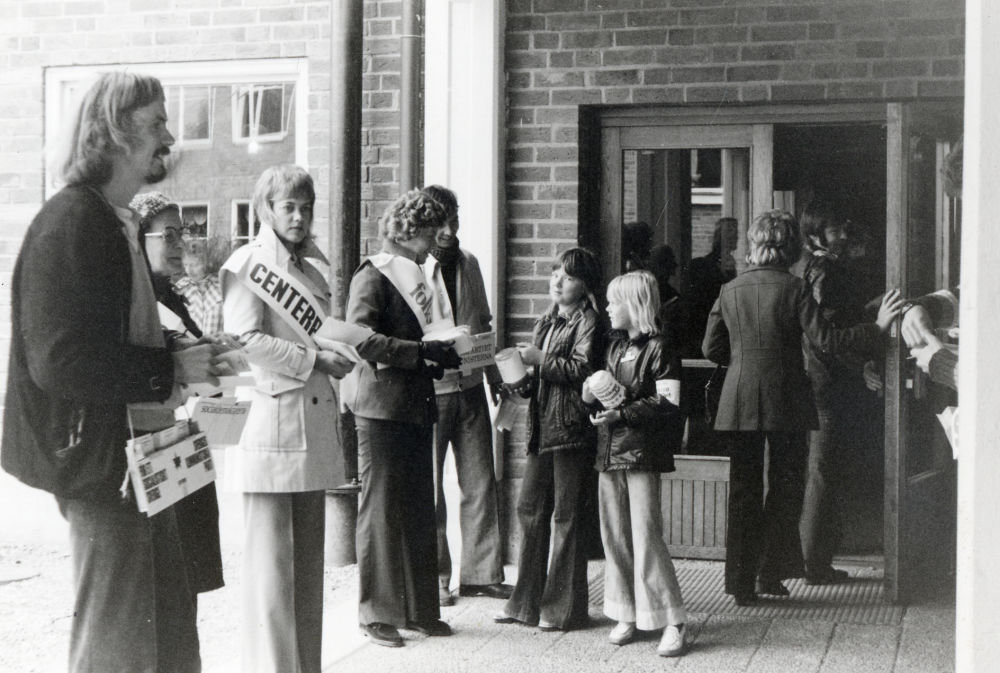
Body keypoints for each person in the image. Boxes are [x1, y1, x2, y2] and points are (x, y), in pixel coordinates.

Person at [1, 71, 223, 673]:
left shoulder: (109, 217)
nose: (169, 138)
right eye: (155, 124)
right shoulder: (73, 221)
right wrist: (168, 367)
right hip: (108, 471)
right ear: (113, 133)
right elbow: (59, 360)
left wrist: (181, 359)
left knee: (168, 637)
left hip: (144, 463)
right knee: (119, 647)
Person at [702, 209, 903, 606]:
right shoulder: (794, 289)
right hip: (786, 400)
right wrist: (877, 328)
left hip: (738, 401)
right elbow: (827, 340)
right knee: (784, 487)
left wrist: (744, 362)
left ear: (755, 246)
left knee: (743, 491)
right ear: (792, 248)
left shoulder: (730, 290)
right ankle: (769, 575)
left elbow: (711, 349)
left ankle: (740, 584)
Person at [221, 164, 354, 673]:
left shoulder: (311, 271)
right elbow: (243, 340)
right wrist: (314, 359)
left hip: (311, 427)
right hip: (270, 431)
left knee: (305, 578)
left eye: (306, 206)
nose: (299, 216)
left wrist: (337, 352)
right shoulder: (247, 265)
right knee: (271, 579)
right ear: (266, 210)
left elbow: (314, 335)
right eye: (288, 207)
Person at [346, 189, 462, 648]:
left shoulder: (419, 273)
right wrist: (420, 354)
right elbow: (359, 339)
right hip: (380, 408)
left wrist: (441, 354)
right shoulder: (373, 274)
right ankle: (376, 613)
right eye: (432, 233)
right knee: (379, 510)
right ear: (410, 231)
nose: (438, 241)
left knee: (418, 507)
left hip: (414, 402)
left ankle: (420, 609)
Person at [495, 247, 602, 632]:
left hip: (572, 428)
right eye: (556, 272)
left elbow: (583, 367)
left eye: (568, 276)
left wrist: (539, 360)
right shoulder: (547, 320)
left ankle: (562, 609)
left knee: (566, 517)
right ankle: (524, 602)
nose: (557, 280)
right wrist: (517, 380)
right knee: (530, 511)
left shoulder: (590, 322)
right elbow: (540, 375)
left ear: (585, 285)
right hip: (542, 428)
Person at [582, 270, 688, 657]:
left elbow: (668, 401)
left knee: (646, 536)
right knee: (615, 535)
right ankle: (627, 612)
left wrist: (620, 414)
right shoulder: (613, 347)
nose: (608, 309)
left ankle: (672, 619)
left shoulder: (660, 347)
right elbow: (602, 395)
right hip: (609, 453)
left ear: (635, 305)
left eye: (614, 302)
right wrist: (590, 396)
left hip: (642, 453)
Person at [131, 191, 225, 606]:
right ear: (138, 238)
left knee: (186, 585)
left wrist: (217, 354)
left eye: (181, 234)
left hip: (181, 446)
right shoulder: (134, 303)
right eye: (167, 236)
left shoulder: (172, 297)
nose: (179, 245)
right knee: (163, 585)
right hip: (151, 446)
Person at [420, 185, 511, 606]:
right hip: (432, 391)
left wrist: (495, 378)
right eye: (440, 221)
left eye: (453, 219)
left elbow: (483, 324)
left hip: (472, 387)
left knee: (480, 481)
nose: (448, 229)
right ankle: (436, 579)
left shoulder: (469, 262)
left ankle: (481, 574)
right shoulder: (415, 268)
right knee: (431, 487)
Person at [794, 199, 891, 585]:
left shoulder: (807, 267)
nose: (843, 235)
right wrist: (876, 331)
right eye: (835, 229)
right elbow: (828, 338)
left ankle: (814, 559)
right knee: (822, 471)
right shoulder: (824, 270)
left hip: (815, 382)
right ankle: (814, 564)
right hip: (826, 385)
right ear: (817, 234)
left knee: (819, 470)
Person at [175, 236, 228, 335]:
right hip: (191, 347)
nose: (189, 271)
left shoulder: (222, 286)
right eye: (186, 265)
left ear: (207, 263)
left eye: (195, 265)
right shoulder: (179, 288)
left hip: (219, 347)